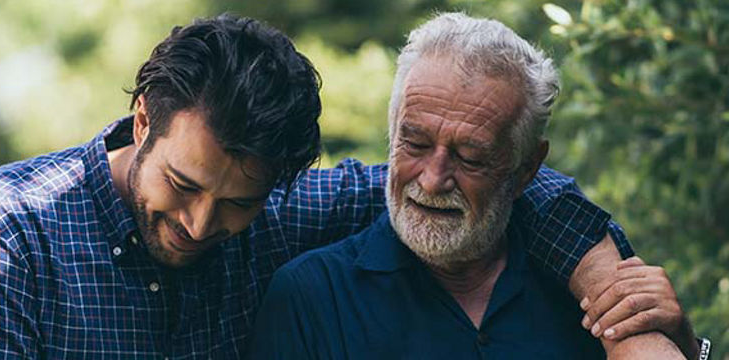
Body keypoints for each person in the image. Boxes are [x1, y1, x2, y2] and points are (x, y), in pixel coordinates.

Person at [0, 13, 702, 359]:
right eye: (183, 185)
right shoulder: (6, 236)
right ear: (142, 119)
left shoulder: (281, 217)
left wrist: (614, 296)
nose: (200, 223)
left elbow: (478, 190)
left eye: (238, 203)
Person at [248, 13, 704, 359]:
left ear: (527, 168)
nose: (432, 179)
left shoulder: (584, 288)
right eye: (415, 142)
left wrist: (680, 341)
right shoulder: (310, 297)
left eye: (470, 157)